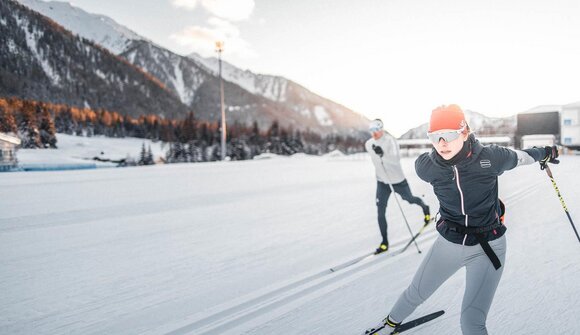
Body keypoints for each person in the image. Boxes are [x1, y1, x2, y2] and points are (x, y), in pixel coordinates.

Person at [378, 105, 560, 335]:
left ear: (464, 132)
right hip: (449, 244)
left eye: (450, 134)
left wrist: (545, 152)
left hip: (488, 247)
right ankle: (388, 326)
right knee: (416, 292)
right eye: (435, 136)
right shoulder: (426, 167)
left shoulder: (491, 157)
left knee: (471, 322)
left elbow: (521, 157)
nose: (442, 142)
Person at [365, 119, 431, 254]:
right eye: (371, 131)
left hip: (398, 181)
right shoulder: (369, 144)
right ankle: (384, 242)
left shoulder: (390, 141)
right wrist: (379, 156)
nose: (374, 133)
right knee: (380, 210)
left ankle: (425, 207)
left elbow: (395, 159)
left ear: (381, 129)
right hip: (382, 182)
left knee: (410, 199)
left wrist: (382, 153)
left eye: (376, 130)